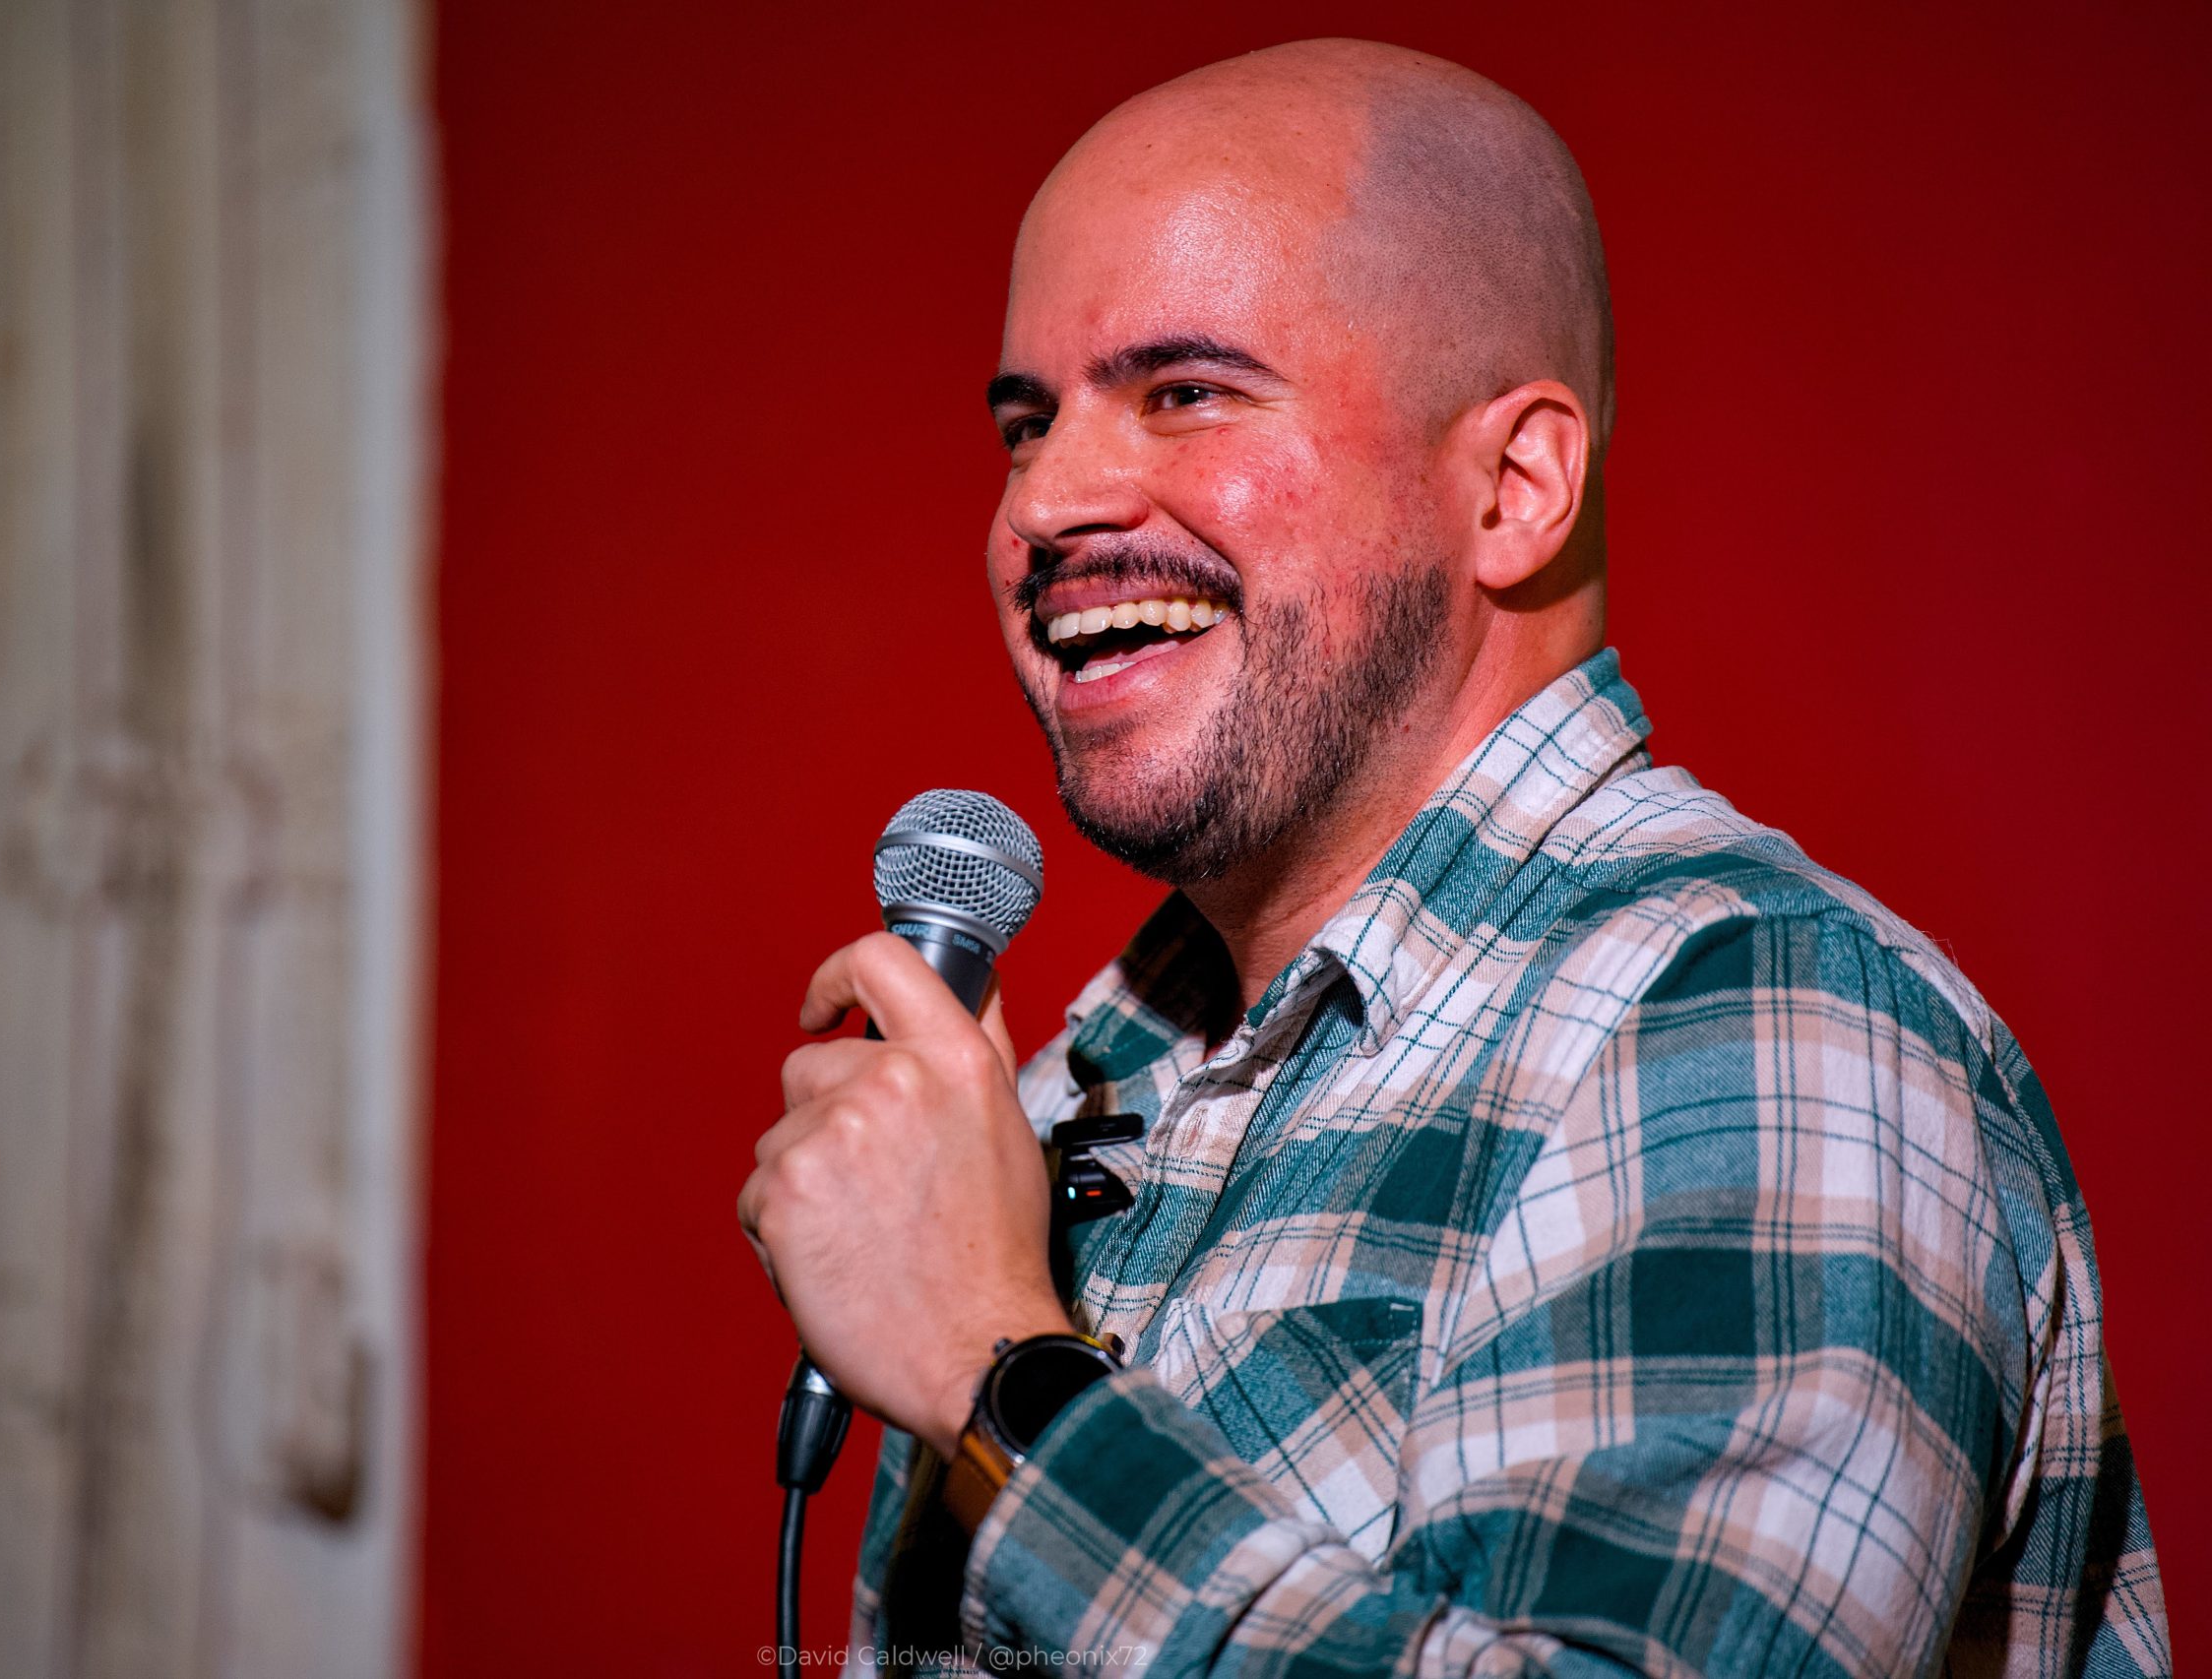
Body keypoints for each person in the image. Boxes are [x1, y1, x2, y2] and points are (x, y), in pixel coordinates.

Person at [735, 38, 2168, 1678]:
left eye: (1184, 391)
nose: (1044, 503)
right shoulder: (1059, 1102)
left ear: (1515, 485)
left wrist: (1007, 1372)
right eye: (1024, 421)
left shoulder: (1760, 1025)